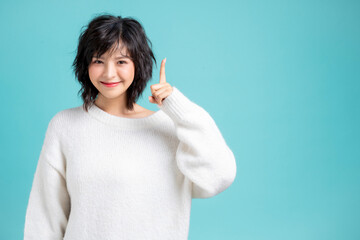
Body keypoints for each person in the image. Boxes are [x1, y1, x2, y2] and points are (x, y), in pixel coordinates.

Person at [23, 13, 237, 240]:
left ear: (138, 64)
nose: (109, 72)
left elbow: (220, 175)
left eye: (121, 61)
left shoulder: (170, 129)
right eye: (98, 60)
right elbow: (44, 218)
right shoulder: (65, 126)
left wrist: (177, 106)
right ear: (86, 65)